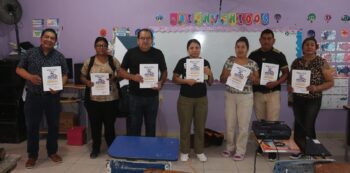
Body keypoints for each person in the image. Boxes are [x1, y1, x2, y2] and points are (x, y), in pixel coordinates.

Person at [16, 28, 68, 168]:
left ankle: (52, 152)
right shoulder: (30, 53)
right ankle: (32, 155)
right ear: (41, 38)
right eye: (47, 37)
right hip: (34, 96)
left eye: (52, 38)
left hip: (52, 98)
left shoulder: (59, 56)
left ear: (55, 41)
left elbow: (65, 74)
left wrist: (59, 86)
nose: (49, 40)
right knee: (32, 126)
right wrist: (30, 77)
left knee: (53, 125)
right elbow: (19, 69)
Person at [288, 37, 334, 159]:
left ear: (316, 47)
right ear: (302, 48)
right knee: (298, 126)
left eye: (312, 45)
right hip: (298, 99)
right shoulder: (296, 62)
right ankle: (302, 150)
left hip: (313, 99)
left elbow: (330, 82)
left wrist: (316, 88)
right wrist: (290, 88)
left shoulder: (322, 62)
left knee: (308, 125)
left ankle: (313, 151)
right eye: (306, 45)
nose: (309, 47)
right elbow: (290, 80)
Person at [249, 29, 289, 161]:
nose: (266, 41)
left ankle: (272, 149)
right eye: (264, 38)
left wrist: (277, 82)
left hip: (273, 93)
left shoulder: (279, 55)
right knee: (261, 123)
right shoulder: (253, 55)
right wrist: (253, 78)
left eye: (269, 38)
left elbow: (286, 73)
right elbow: (248, 73)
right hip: (258, 93)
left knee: (272, 122)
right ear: (260, 40)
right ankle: (261, 146)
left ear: (273, 40)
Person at [118, 28, 167, 137]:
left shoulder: (158, 53)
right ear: (138, 40)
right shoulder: (130, 53)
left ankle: (149, 152)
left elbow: (164, 71)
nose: (145, 41)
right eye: (142, 38)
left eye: (148, 38)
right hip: (135, 97)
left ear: (152, 40)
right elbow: (121, 72)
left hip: (152, 97)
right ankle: (135, 152)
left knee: (151, 126)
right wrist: (132, 77)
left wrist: (161, 82)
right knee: (135, 126)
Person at [173, 39, 214, 162]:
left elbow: (210, 83)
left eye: (197, 47)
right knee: (185, 127)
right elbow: (174, 78)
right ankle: (184, 151)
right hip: (185, 99)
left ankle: (199, 151)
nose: (195, 50)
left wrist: (210, 73)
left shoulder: (205, 62)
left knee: (200, 127)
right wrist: (186, 81)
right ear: (188, 49)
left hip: (201, 99)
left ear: (200, 49)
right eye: (192, 48)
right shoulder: (182, 62)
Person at [80, 37, 121, 159]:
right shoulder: (90, 61)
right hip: (94, 101)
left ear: (107, 47)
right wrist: (87, 82)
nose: (101, 48)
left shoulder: (113, 60)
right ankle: (95, 148)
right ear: (95, 47)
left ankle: (112, 147)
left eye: (103, 45)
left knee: (109, 125)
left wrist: (114, 78)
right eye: (99, 45)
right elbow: (82, 76)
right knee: (95, 125)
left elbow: (122, 74)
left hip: (111, 100)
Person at [220, 37, 259, 161]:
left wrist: (252, 76)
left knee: (243, 125)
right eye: (238, 47)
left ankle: (240, 150)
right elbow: (221, 79)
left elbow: (257, 81)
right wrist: (225, 76)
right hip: (230, 95)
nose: (240, 49)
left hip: (246, 97)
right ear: (235, 48)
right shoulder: (230, 61)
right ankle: (230, 147)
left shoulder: (252, 63)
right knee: (230, 123)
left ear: (247, 49)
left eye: (243, 47)